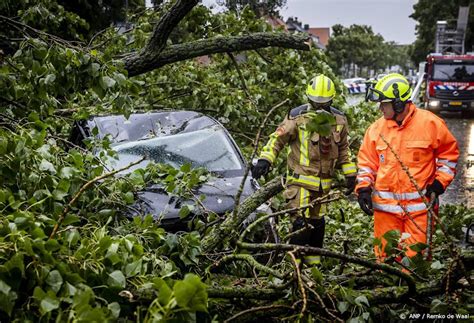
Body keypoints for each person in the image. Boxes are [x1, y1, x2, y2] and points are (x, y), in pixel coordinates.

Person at [252, 74, 357, 266]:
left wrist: (351, 174)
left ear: (331, 100)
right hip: (300, 182)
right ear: (309, 99)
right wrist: (265, 159)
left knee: (318, 225)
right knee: (301, 224)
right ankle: (293, 268)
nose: (319, 108)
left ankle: (312, 269)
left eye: (324, 104)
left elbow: (343, 150)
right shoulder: (297, 117)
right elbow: (277, 139)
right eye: (316, 104)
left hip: (323, 186)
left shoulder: (339, 120)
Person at [356, 73, 459, 261]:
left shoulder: (431, 124)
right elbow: (366, 164)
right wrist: (363, 188)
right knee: (386, 262)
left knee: (415, 262)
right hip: (386, 213)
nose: (380, 108)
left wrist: (439, 183)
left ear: (398, 104)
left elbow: (449, 156)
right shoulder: (375, 129)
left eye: (384, 103)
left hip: (420, 211)